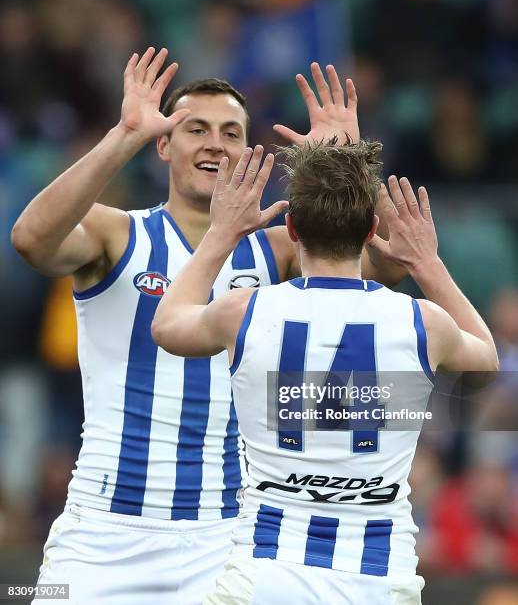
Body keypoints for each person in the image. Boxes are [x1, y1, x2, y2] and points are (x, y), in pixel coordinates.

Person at [11, 48, 402, 604]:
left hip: (227, 532)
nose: (215, 143)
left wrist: (345, 165)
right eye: (196, 129)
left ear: (249, 151)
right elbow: (30, 238)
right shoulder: (116, 234)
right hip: (101, 530)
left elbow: (388, 262)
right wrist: (125, 133)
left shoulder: (282, 250)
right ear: (164, 145)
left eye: (231, 132)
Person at [151, 140, 499, 604]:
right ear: (373, 229)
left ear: (290, 227)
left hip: (266, 570)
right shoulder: (423, 321)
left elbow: (167, 325)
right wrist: (426, 263)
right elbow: (487, 363)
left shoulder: (245, 310)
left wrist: (222, 234)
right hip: (377, 575)